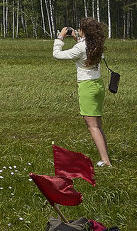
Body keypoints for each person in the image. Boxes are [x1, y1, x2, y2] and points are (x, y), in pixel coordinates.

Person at [54, 18, 112, 166]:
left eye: (80, 29)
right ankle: (105, 156)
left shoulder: (81, 47)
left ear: (84, 31)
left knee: (92, 126)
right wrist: (77, 39)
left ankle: (106, 161)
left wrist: (60, 38)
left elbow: (57, 54)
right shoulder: (96, 44)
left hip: (87, 87)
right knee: (97, 125)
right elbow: (84, 49)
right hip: (98, 85)